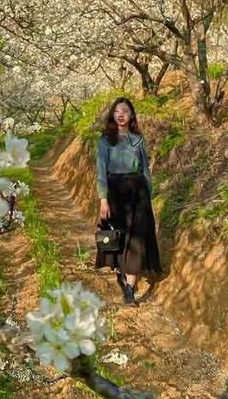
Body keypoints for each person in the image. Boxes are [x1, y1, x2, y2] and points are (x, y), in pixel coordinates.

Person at [94, 97, 160, 305]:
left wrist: (148, 194)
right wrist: (103, 199)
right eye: (117, 111)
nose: (121, 114)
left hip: (138, 191)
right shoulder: (105, 140)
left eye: (125, 111)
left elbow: (145, 169)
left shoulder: (138, 139)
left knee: (137, 236)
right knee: (120, 234)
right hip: (115, 190)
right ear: (113, 115)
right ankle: (121, 271)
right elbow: (101, 172)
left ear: (131, 115)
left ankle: (130, 287)